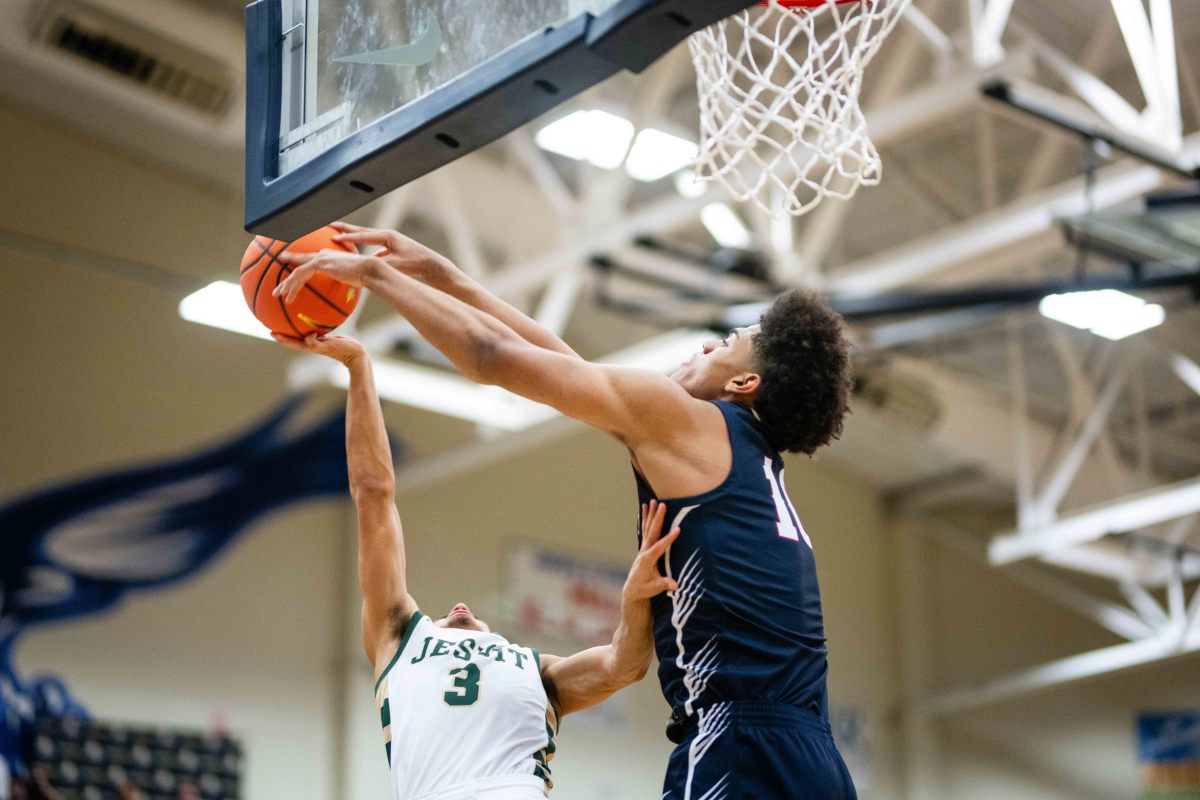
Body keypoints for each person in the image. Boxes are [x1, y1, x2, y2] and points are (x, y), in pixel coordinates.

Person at [275, 224, 857, 798]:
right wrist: (441, 275)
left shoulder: (693, 426)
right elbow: (565, 366)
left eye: (725, 343)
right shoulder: (753, 466)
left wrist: (376, 276)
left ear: (745, 381)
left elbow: (492, 356)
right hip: (817, 757)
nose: (706, 344)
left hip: (740, 747)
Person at [272, 331, 680, 800]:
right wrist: (359, 366)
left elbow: (622, 665)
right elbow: (373, 494)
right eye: (449, 616)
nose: (459, 608)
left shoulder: (536, 670)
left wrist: (635, 599)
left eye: (458, 614)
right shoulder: (399, 637)